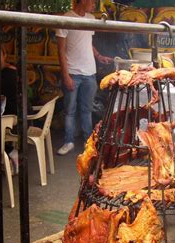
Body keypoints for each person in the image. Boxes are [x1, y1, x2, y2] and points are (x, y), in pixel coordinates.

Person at [55, 0, 113, 156]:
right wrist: (65, 75)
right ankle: (69, 141)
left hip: (89, 73)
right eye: (92, 2)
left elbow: (88, 42)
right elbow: (60, 51)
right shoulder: (65, 19)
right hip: (73, 73)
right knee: (70, 111)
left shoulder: (91, 19)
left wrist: (99, 56)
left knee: (86, 110)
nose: (94, 6)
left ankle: (88, 143)